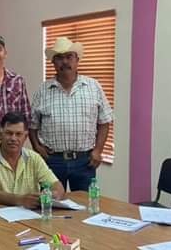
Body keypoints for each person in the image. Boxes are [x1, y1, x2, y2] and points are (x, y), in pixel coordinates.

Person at [29, 37, 113, 191]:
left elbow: (104, 121)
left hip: (84, 161)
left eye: (69, 57)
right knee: (51, 202)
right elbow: (32, 125)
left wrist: (98, 151)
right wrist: (36, 146)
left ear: (77, 60)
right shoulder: (42, 91)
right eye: (59, 58)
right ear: (53, 62)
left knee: (84, 204)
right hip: (52, 161)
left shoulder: (93, 87)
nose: (65, 62)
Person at [0, 111, 66, 208]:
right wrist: (20, 200)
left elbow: (56, 185)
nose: (13, 138)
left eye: (18, 134)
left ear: (25, 137)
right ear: (0, 134)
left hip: (29, 214)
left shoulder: (34, 158)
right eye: (9, 133)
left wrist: (53, 195)